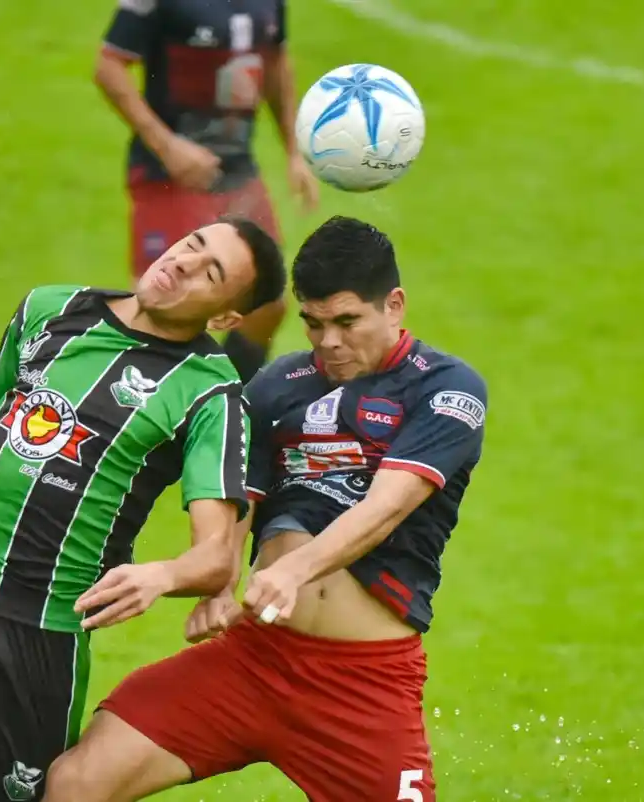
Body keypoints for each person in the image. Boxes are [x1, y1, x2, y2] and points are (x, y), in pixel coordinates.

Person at [0, 216, 285, 802]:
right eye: (192, 244)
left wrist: (161, 575)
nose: (184, 263)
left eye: (211, 272)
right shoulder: (49, 310)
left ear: (225, 318)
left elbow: (218, 555)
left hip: (39, 634)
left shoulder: (209, 392)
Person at [45, 216, 489, 801]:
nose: (329, 342)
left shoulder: (446, 389)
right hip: (255, 659)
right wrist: (219, 584)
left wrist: (289, 572)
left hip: (363, 683)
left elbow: (386, 507)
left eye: (347, 321)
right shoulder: (277, 384)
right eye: (313, 323)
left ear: (395, 305)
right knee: (77, 782)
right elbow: (238, 499)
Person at [95, 0, 320, 384]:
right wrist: (167, 146)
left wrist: (293, 151)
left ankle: (222, 404)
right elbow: (108, 66)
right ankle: (129, 413)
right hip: (168, 174)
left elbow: (275, 60)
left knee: (267, 303)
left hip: (237, 170)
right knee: (159, 309)